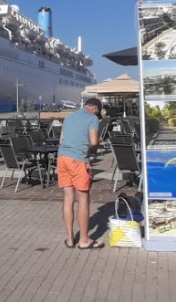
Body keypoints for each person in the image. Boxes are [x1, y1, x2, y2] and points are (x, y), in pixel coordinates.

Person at [57, 97, 104, 249]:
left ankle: (70, 239)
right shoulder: (92, 118)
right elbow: (95, 141)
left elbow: (62, 139)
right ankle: (84, 240)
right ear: (95, 109)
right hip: (77, 160)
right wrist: (93, 150)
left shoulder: (69, 117)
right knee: (83, 198)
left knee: (68, 198)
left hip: (62, 158)